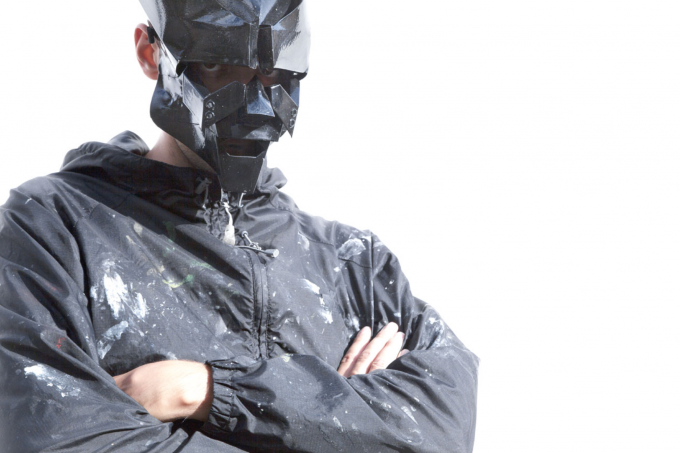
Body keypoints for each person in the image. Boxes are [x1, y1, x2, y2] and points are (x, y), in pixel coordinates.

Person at [0, 1, 478, 451]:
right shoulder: (52, 228)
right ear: (151, 54)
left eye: (272, 74)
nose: (255, 107)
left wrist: (206, 389)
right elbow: (58, 438)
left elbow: (442, 427)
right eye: (217, 67)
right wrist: (342, 425)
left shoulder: (353, 265)